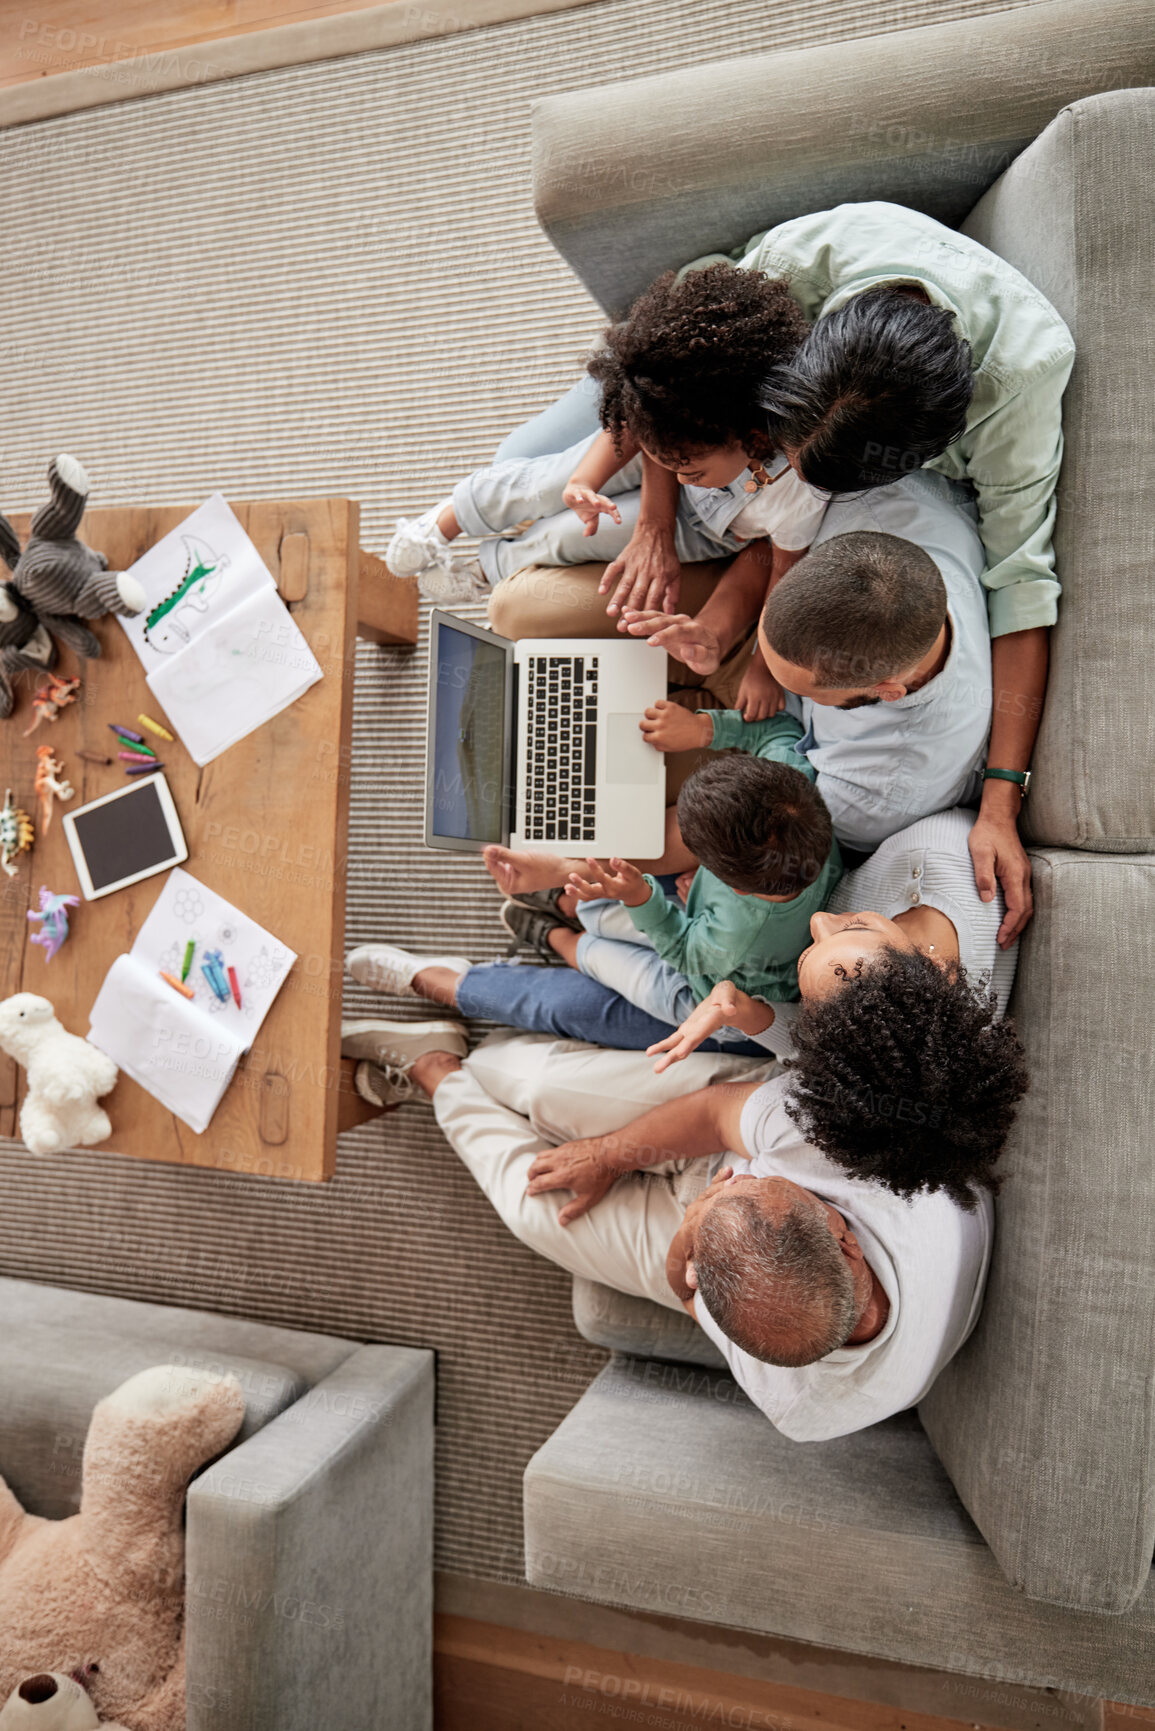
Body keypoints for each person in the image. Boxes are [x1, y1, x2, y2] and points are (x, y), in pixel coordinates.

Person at [492, 202, 1076, 940]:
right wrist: (655, 526)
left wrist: (1000, 800)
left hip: (780, 593)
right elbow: (662, 391)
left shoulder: (1016, 395)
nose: (777, 476)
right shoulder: (806, 263)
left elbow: (1022, 592)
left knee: (527, 637)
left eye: (802, 467)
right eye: (781, 444)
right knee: (511, 486)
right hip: (757, 545)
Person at [349, 1028, 995, 1441]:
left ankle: (439, 1074)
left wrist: (689, 1236)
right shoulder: (870, 1155)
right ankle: (479, 1050)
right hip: (727, 1129)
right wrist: (607, 1154)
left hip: (697, 1243)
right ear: (841, 1233)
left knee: (531, 1208)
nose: (727, 1182)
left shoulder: (801, 1402)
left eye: (736, 1187)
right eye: (744, 1187)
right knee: (537, 1086)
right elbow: (717, 1116)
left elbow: (688, 1296)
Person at [346, 807, 1027, 1196]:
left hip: (766, 1014)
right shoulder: (955, 863)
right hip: (771, 925)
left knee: (618, 1014)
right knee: (668, 968)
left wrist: (749, 1013)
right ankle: (558, 921)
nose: (829, 924)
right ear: (936, 975)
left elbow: (800, 1045)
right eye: (852, 929)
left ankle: (460, 978)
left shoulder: (865, 1059)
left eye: (834, 939)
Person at [386, 267, 827, 718]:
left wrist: (762, 665)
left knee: (574, 539)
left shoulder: (795, 492)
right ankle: (448, 518)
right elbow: (640, 430)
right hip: (647, 452)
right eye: (672, 464)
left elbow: (780, 574)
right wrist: (582, 483)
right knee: (547, 485)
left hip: (711, 531)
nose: (679, 478)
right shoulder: (676, 412)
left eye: (690, 470)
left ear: (749, 437)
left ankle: (487, 566)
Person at [627, 474, 993, 856]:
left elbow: (768, 841)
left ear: (886, 690)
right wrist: (715, 630)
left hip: (767, 741)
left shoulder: (878, 791)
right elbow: (772, 555)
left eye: (806, 689)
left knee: (624, 828)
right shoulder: (868, 500)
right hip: (740, 634)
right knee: (561, 627)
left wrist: (709, 730)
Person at [501, 718, 840, 1043]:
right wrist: (704, 728)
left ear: (728, 883)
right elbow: (780, 729)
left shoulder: (738, 934)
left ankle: (558, 939)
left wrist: (640, 898)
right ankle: (571, 907)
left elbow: (683, 952)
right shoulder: (795, 792)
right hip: (723, 934)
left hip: (706, 987)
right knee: (596, 914)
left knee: (596, 953)